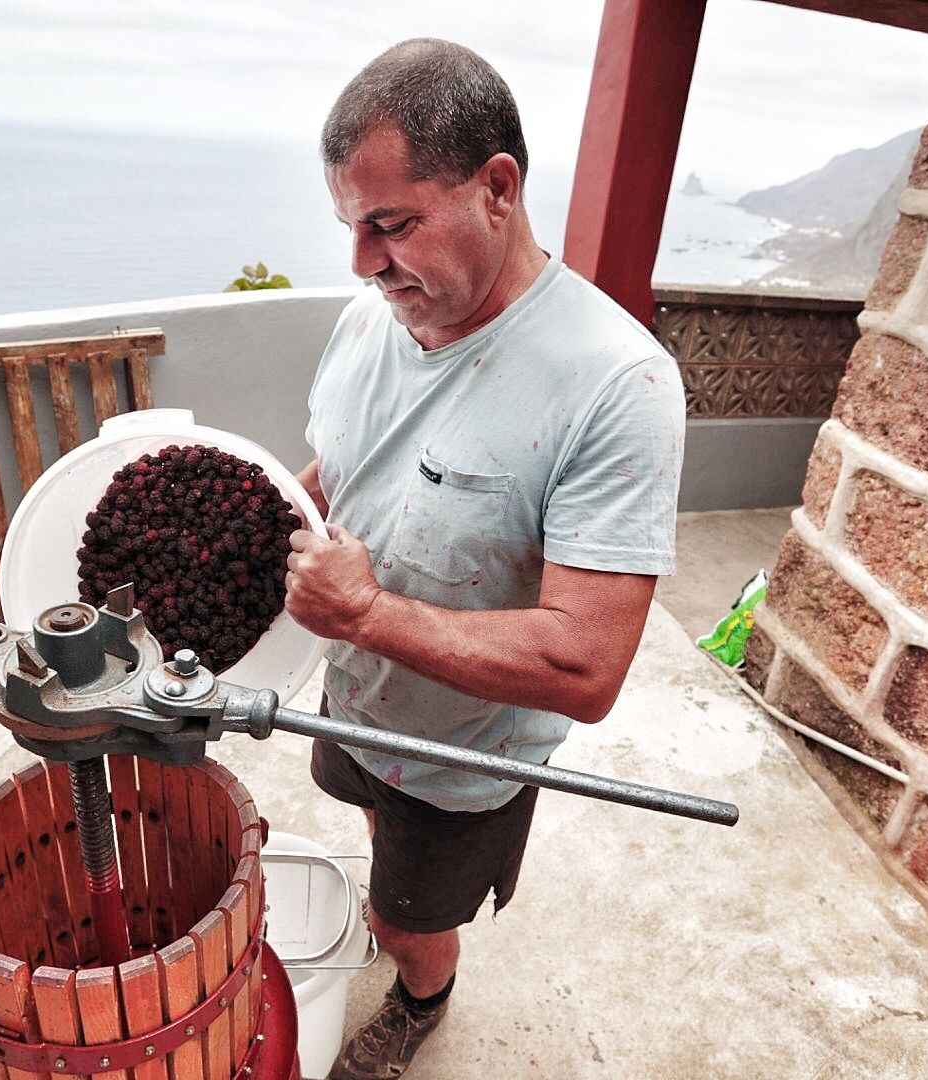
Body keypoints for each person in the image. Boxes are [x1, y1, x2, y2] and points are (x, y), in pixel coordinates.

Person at [284, 38, 684, 1080]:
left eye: (392, 224)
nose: (364, 265)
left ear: (497, 187)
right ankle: (397, 926)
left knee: (410, 912)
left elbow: (584, 667)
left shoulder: (615, 385)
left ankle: (423, 995)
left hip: (462, 765)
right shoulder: (368, 322)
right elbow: (339, 465)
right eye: (351, 229)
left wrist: (367, 614)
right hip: (349, 702)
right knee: (363, 822)